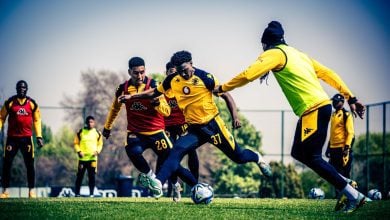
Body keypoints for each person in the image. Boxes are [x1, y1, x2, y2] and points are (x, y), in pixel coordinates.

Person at [214, 21, 366, 213]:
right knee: (298, 153)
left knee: (313, 157)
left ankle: (353, 195)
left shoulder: (274, 53)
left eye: (262, 47)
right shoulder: (298, 54)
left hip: (314, 108)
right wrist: (350, 96)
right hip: (316, 108)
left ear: (266, 43)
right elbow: (329, 74)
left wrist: (223, 88)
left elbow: (248, 74)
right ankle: (346, 182)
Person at [122, 51, 272, 199]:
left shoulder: (205, 77)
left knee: (239, 157)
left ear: (192, 64)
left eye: (186, 70)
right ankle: (158, 184)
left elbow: (226, 94)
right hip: (194, 129)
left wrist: (234, 117)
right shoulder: (172, 80)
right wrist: (132, 96)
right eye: (180, 72)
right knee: (175, 152)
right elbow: (153, 93)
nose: (184, 74)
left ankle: (257, 158)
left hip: (213, 126)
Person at [102, 57, 196, 199]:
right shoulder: (123, 89)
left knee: (172, 163)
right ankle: (152, 178)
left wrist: (156, 103)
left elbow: (167, 111)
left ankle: (188, 185)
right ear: (129, 72)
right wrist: (107, 127)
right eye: (135, 73)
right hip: (136, 133)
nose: (139, 76)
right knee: (132, 151)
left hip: (157, 132)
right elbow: (114, 108)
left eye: (142, 72)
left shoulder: (155, 86)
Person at [164, 61, 242, 201]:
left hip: (185, 125)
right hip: (168, 127)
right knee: (170, 156)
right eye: (171, 72)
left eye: (176, 71)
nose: (175, 74)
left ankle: (195, 185)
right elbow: (161, 109)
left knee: (190, 154)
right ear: (166, 73)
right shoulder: (166, 88)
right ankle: (175, 186)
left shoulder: (184, 84)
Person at [0, 80, 44, 198]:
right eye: (19, 88)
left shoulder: (32, 103)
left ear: (26, 89)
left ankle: (31, 190)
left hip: (26, 139)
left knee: (30, 164)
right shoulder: (10, 102)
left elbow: (37, 120)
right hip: (12, 139)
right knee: (7, 164)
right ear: (16, 89)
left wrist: (39, 136)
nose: (21, 90)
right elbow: (1, 117)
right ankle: (5, 191)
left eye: (24, 88)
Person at [326, 94, 355, 179]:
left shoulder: (346, 115)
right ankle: (338, 192)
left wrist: (347, 148)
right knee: (335, 176)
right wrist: (328, 147)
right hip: (333, 149)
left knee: (344, 176)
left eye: (336, 101)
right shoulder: (333, 115)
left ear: (342, 102)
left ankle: (351, 191)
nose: (334, 103)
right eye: (333, 101)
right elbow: (333, 133)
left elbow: (350, 133)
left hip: (342, 149)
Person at [74, 116, 103, 197]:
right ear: (86, 123)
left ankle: (91, 194)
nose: (90, 123)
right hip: (82, 159)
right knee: (79, 176)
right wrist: (79, 151)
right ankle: (77, 194)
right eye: (89, 122)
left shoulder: (97, 133)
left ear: (94, 123)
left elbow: (100, 144)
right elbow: (76, 143)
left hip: (92, 159)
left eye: (92, 122)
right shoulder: (80, 132)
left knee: (92, 177)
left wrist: (97, 151)